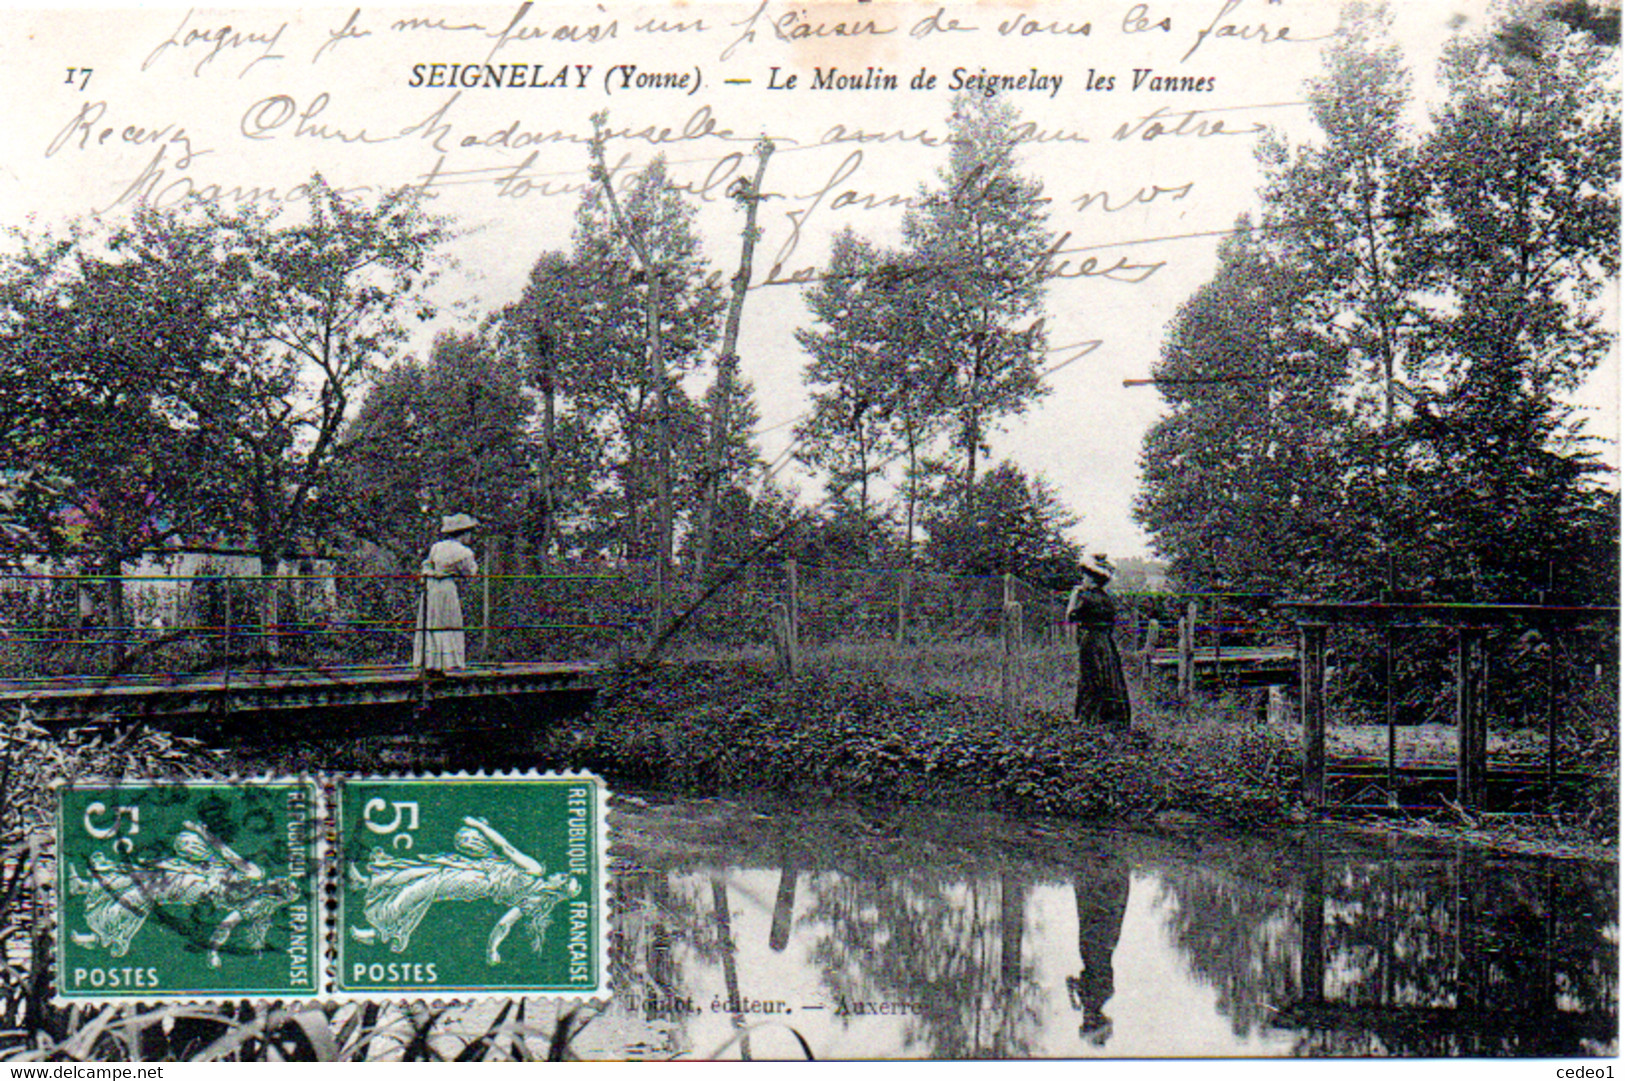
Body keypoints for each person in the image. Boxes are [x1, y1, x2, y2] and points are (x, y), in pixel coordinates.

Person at [348, 815, 580, 964]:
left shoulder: (536, 873)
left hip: (480, 881)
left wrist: (478, 825)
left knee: (428, 885)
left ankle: (378, 932)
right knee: (426, 870)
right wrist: (492, 950)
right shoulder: (535, 899)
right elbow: (503, 924)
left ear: (559, 887)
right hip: (482, 867)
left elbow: (507, 849)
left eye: (564, 878)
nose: (561, 873)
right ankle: (368, 884)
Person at [1066, 553, 1131, 729]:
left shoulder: (1086, 597)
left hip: (1091, 641)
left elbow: (1071, 617)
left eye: (1085, 576)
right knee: (1109, 677)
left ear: (1092, 578)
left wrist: (1074, 595)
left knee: (1090, 677)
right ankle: (1110, 719)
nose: (1083, 580)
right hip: (1106, 642)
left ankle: (1088, 719)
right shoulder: (1107, 599)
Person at [414, 513, 479, 673]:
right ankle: (449, 661)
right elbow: (471, 572)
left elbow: (427, 564)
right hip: (446, 588)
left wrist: (431, 574)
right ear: (464, 533)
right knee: (448, 620)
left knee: (432, 620)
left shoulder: (437, 547)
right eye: (469, 533)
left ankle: (430, 660)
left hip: (432, 587)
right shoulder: (464, 552)